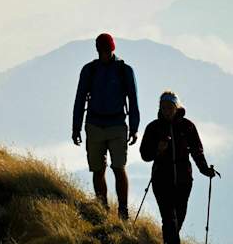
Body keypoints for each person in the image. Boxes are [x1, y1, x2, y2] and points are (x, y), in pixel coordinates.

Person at [72, 32, 141, 221]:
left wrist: (134, 128)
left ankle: (123, 212)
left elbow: (133, 100)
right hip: (95, 125)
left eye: (107, 50)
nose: (104, 53)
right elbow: (79, 99)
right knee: (98, 169)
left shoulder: (124, 70)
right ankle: (102, 210)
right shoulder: (89, 70)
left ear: (112, 49)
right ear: (98, 50)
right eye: (102, 50)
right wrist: (76, 127)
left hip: (117, 125)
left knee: (118, 167)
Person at [140, 90, 220, 244]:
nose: (167, 111)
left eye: (170, 107)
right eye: (163, 107)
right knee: (169, 218)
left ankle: (169, 240)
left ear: (177, 107)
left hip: (184, 181)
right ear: (159, 108)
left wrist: (205, 170)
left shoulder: (187, 126)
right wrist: (158, 149)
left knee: (179, 218)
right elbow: (145, 154)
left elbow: (197, 150)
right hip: (161, 179)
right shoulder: (154, 128)